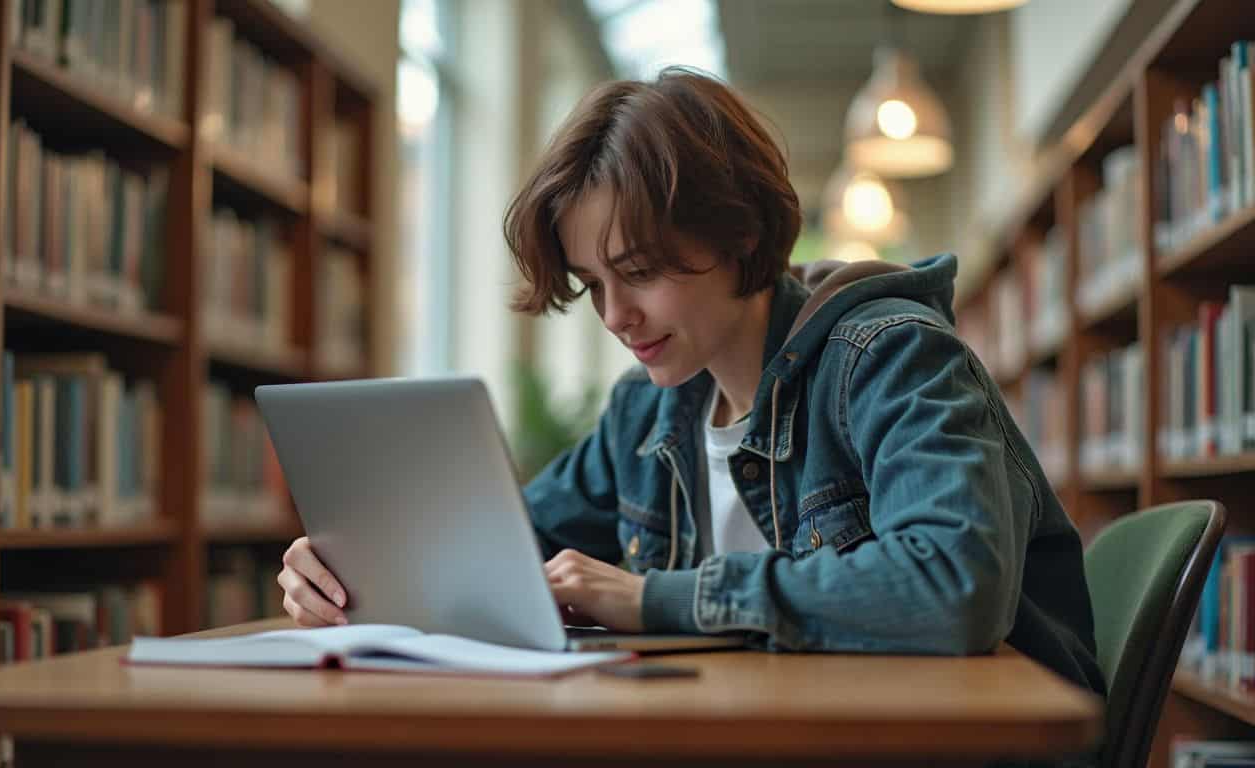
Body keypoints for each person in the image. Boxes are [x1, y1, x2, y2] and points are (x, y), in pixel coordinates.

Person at [277, 67, 1106, 702]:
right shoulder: (647, 411)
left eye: (637, 272)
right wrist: (351, 575)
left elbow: (952, 587)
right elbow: (502, 550)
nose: (614, 314)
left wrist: (660, 600)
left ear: (738, 232)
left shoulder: (890, 355)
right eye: (591, 281)